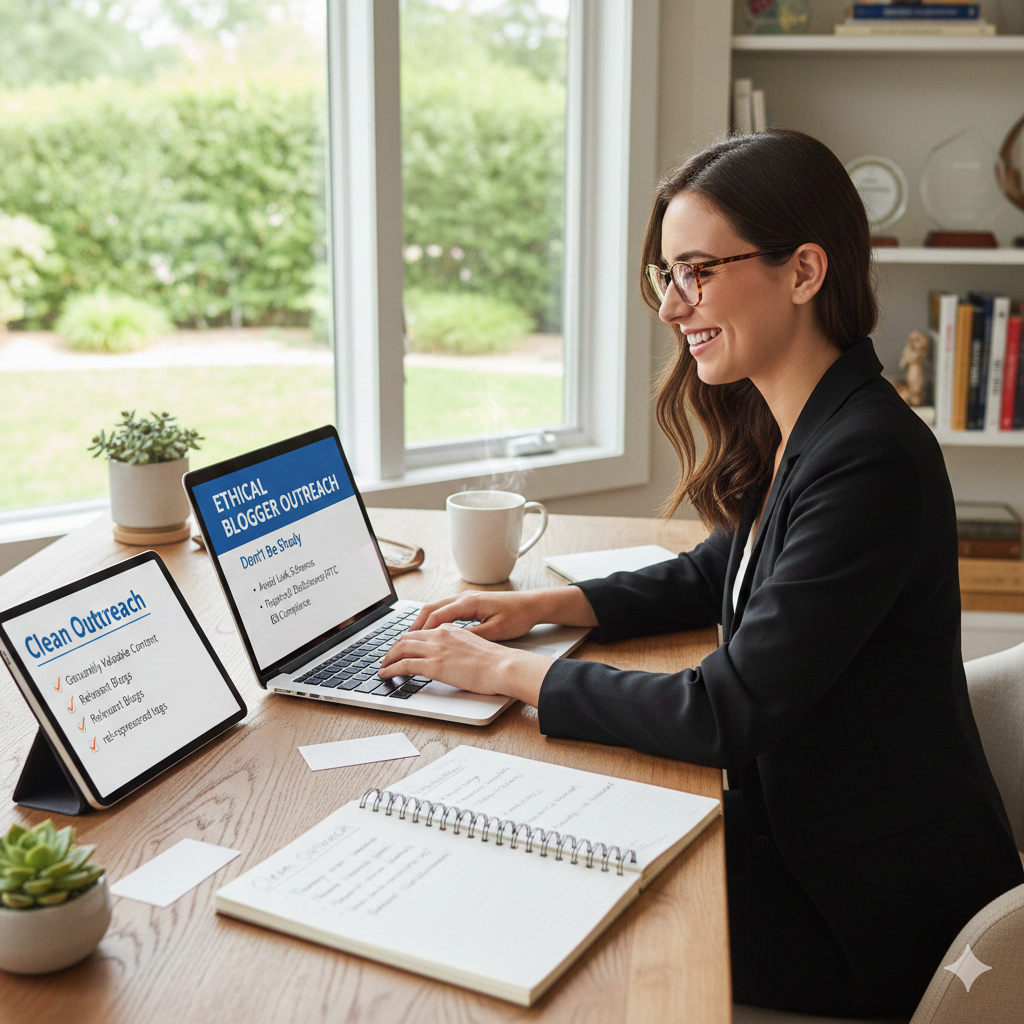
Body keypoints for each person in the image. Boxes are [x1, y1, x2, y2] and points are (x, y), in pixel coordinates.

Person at [378, 129, 1024, 1017]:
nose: (675, 307)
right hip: (811, 844)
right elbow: (725, 567)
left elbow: (724, 709)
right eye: (667, 279)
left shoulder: (871, 457)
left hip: (860, 908)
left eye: (698, 272)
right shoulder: (815, 422)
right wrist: (545, 606)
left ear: (803, 272)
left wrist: (507, 675)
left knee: (572, 943)